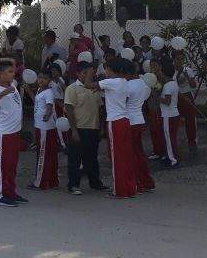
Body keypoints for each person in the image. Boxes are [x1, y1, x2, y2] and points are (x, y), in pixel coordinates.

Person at [0, 59, 27, 207]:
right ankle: (1, 195)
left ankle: (11, 192)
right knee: (3, 164)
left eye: (12, 71)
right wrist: (3, 93)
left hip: (14, 131)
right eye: (9, 72)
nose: (13, 73)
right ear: (0, 74)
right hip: (4, 133)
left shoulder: (13, 85)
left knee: (12, 164)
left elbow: (12, 63)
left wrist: (7, 61)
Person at [64, 60, 107, 195]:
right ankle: (74, 184)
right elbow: (69, 109)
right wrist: (74, 130)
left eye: (91, 73)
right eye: (85, 73)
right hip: (79, 128)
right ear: (78, 73)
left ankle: (95, 182)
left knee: (92, 158)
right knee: (75, 158)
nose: (88, 76)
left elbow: (100, 109)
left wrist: (100, 127)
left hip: (93, 128)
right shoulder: (72, 88)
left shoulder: (95, 88)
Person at [98, 58, 136, 198]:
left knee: (116, 156)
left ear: (111, 69)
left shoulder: (110, 82)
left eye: (106, 68)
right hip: (125, 119)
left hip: (114, 121)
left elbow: (90, 85)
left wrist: (90, 72)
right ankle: (130, 187)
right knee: (126, 155)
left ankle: (119, 189)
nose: (105, 71)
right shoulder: (125, 82)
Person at [125, 63, 155, 193]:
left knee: (132, 154)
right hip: (139, 119)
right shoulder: (144, 84)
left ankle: (138, 182)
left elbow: (123, 102)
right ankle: (146, 180)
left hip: (130, 121)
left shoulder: (128, 86)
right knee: (139, 153)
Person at [30, 70, 59, 190]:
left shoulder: (48, 92)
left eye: (45, 78)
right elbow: (36, 101)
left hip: (44, 127)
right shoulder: (39, 91)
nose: (41, 80)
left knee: (43, 153)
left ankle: (40, 182)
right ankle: (52, 181)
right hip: (40, 125)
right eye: (40, 78)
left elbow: (49, 106)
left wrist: (47, 115)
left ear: (49, 81)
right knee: (48, 153)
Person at [173, 50, 199, 151]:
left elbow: (193, 85)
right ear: (174, 60)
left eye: (182, 59)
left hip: (187, 95)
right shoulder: (170, 70)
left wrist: (187, 76)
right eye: (177, 59)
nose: (180, 61)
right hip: (175, 96)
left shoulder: (188, 70)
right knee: (175, 120)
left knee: (190, 120)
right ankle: (174, 142)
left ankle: (192, 141)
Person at [157, 62, 181, 167]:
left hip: (168, 114)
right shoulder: (174, 83)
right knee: (172, 136)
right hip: (174, 113)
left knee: (168, 137)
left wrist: (156, 97)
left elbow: (167, 101)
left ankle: (172, 158)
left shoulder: (167, 86)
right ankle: (170, 155)